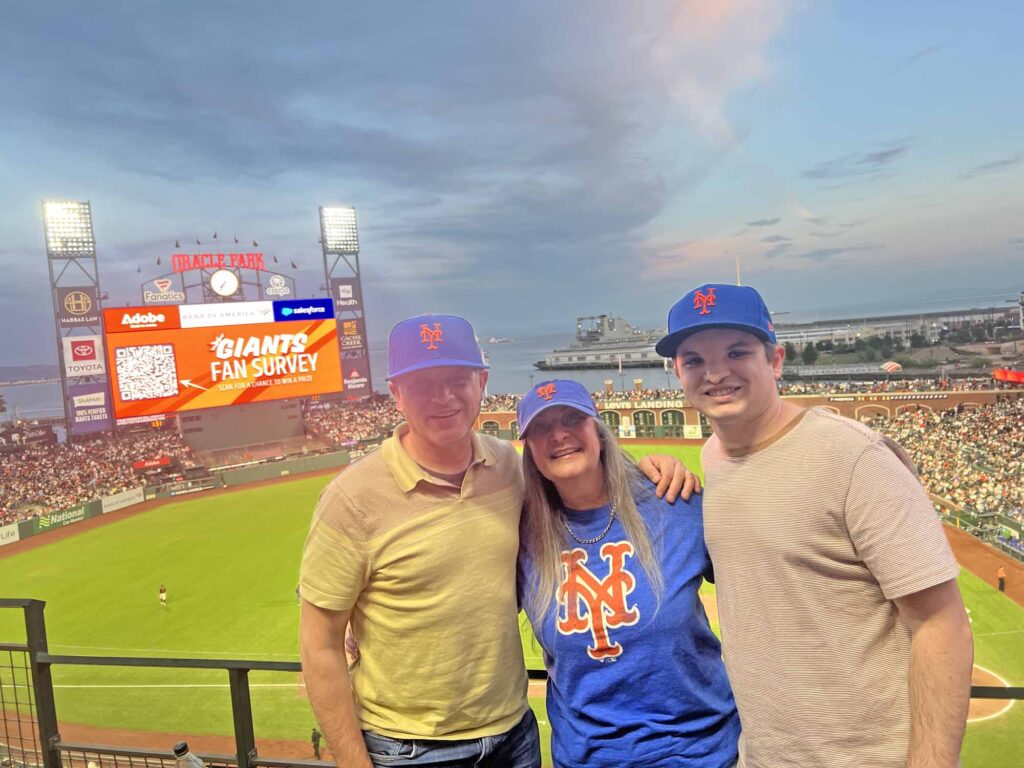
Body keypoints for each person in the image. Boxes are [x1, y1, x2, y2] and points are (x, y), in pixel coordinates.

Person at [299, 313, 696, 768]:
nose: (443, 396)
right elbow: (319, 643)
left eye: (456, 379)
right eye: (423, 382)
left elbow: (583, 480)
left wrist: (651, 467)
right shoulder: (351, 498)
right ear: (396, 394)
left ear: (482, 382)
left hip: (514, 736)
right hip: (409, 749)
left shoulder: (510, 467)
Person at [657, 283, 974, 768]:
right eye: (694, 359)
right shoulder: (713, 457)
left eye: (736, 352)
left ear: (775, 360)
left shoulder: (854, 456)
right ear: (679, 371)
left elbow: (940, 622)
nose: (715, 372)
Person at [516, 379, 739, 768]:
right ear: (529, 450)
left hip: (700, 752)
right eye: (541, 428)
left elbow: (767, 590)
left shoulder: (675, 503)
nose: (560, 435)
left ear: (598, 430)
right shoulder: (521, 537)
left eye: (573, 418)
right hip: (587, 758)